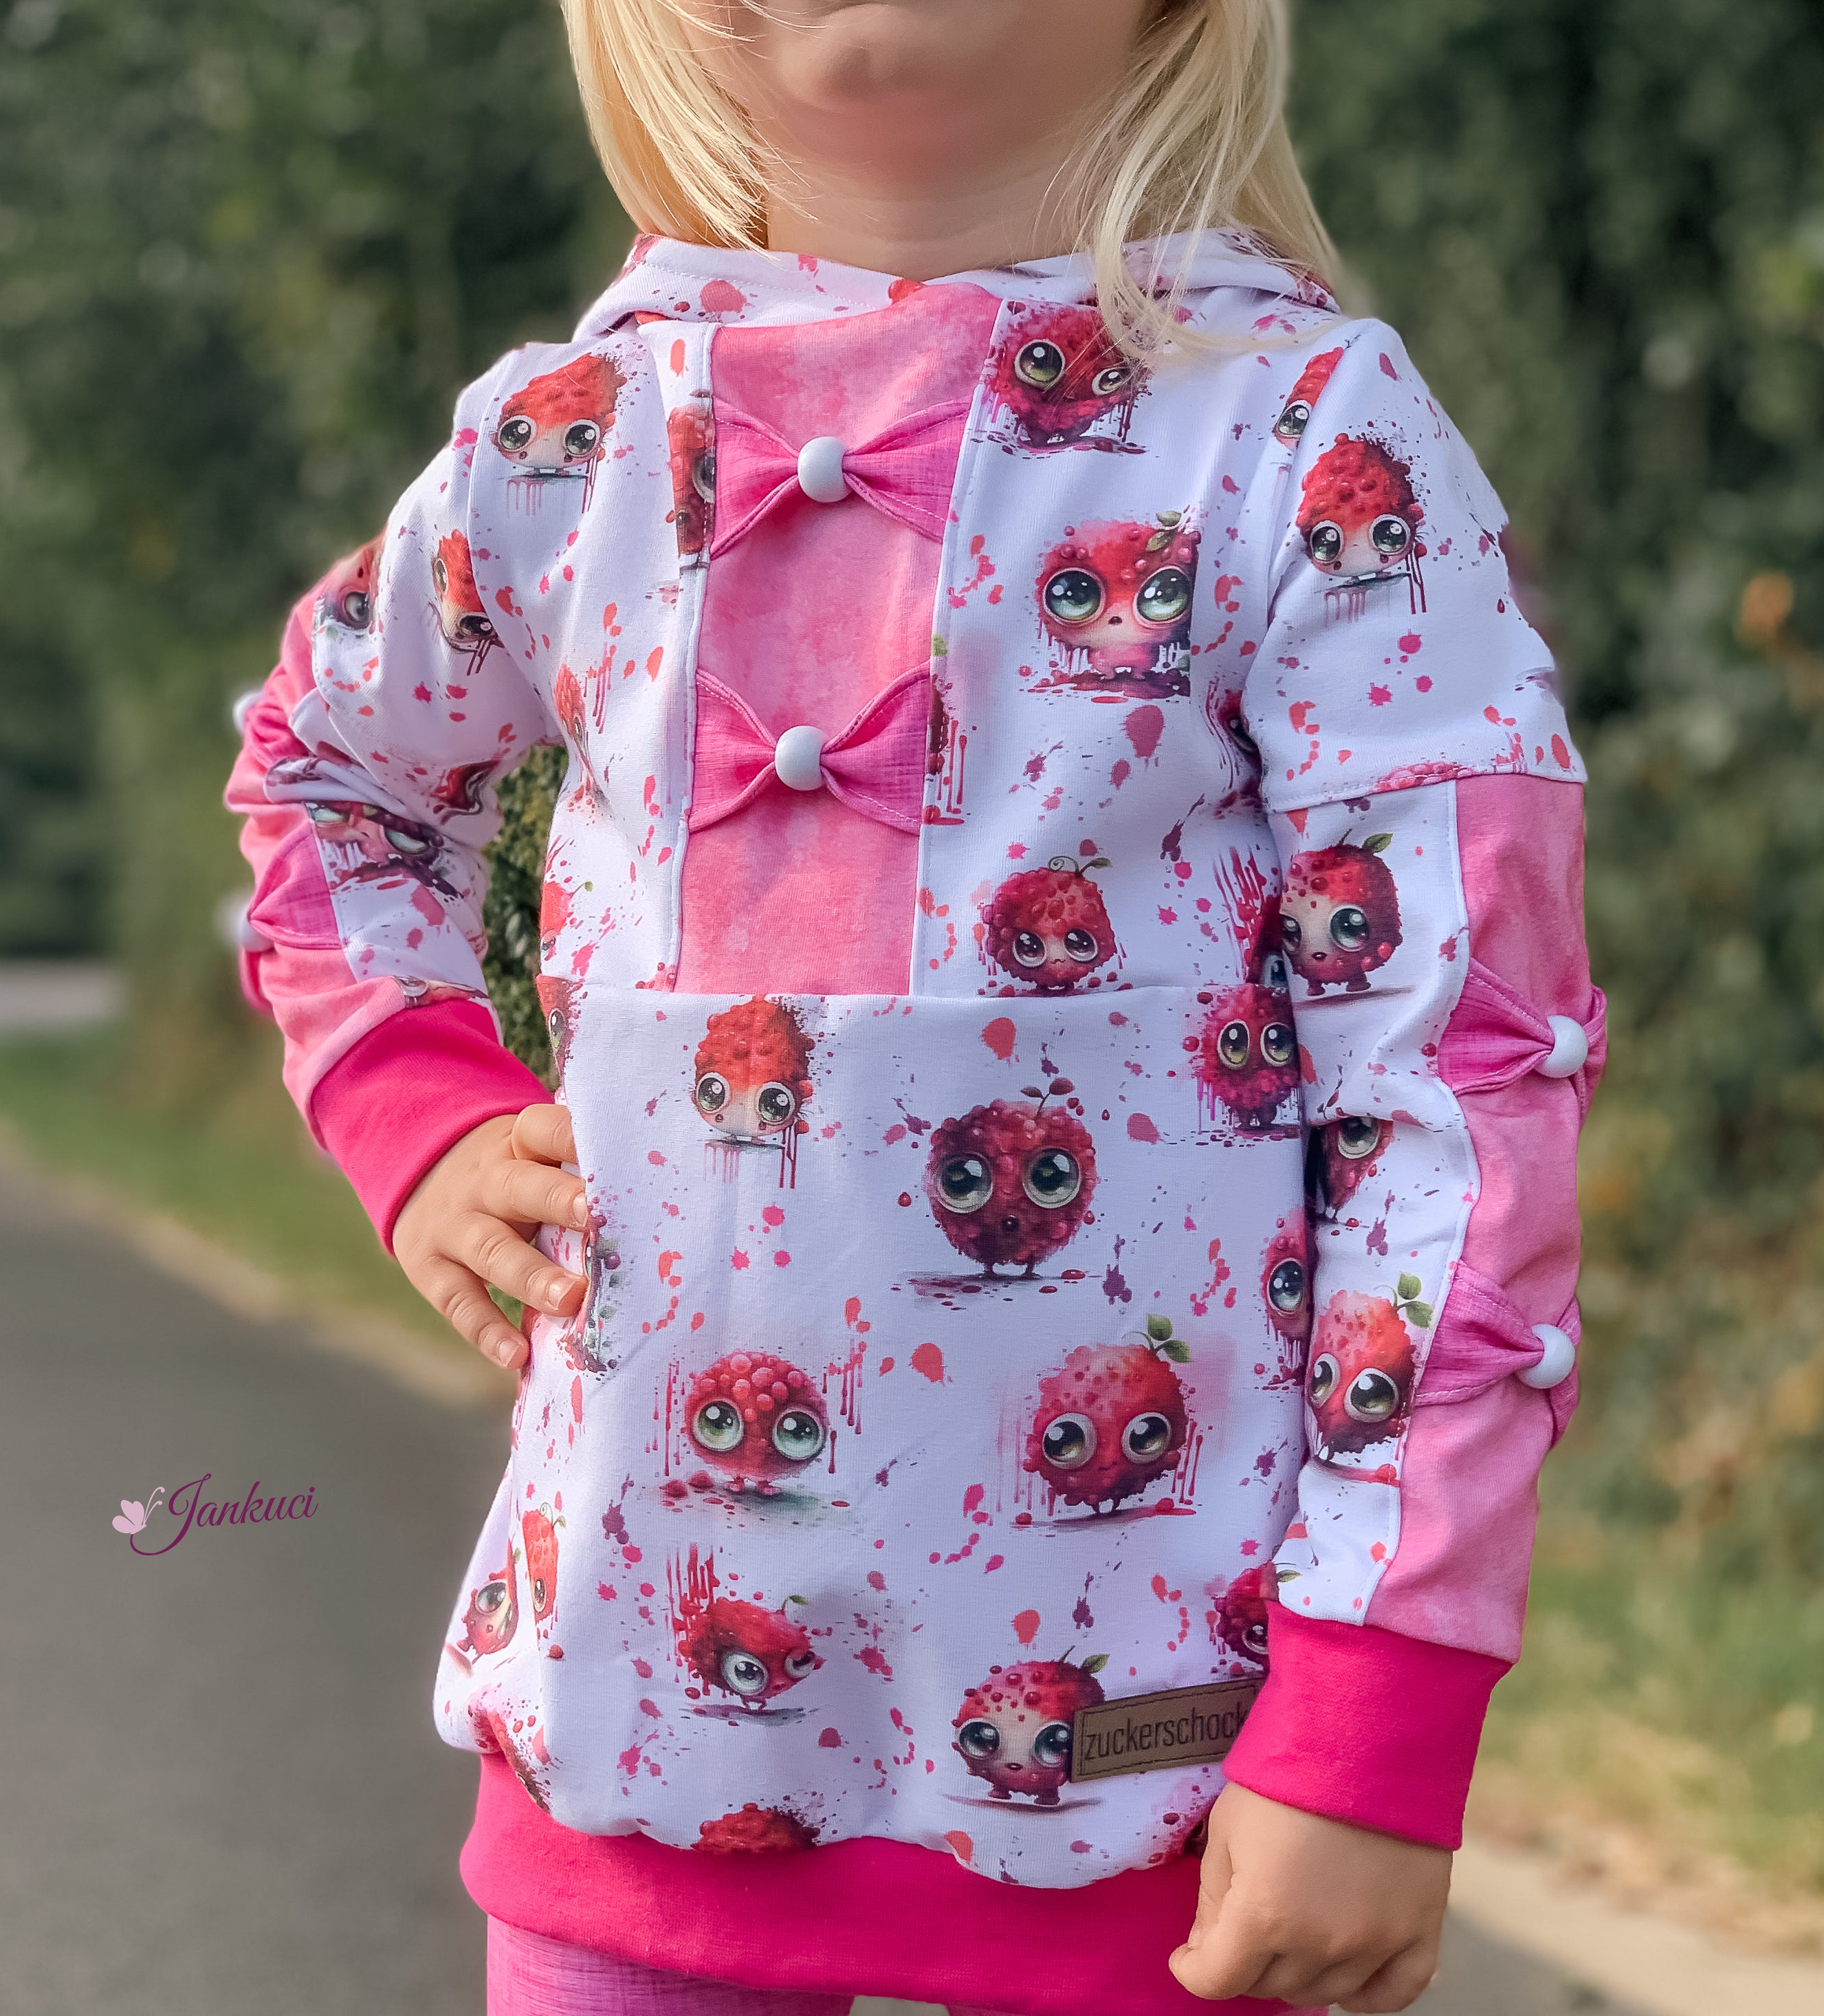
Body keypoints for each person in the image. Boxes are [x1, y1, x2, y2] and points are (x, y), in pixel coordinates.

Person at [225, 3, 1601, 2010]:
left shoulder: (1306, 438)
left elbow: (1459, 1090)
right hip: (630, 1717)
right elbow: (327, 767)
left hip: (1154, 1758)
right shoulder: (566, 446)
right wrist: (408, 1101)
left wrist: (1377, 1706)